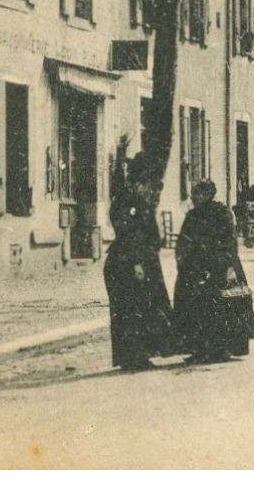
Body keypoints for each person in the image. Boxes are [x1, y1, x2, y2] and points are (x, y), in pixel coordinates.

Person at [173, 179, 254, 363]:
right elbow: (185, 239)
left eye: (198, 194)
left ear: (207, 195)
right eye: (193, 194)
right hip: (196, 266)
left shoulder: (221, 213)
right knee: (192, 304)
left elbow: (228, 240)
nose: (194, 198)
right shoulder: (193, 215)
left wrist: (218, 263)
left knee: (221, 303)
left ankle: (222, 348)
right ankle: (199, 348)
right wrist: (183, 259)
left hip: (220, 264)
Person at [103, 149, 173, 371]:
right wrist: (136, 263)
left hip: (142, 261)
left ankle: (140, 354)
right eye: (146, 183)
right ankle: (133, 356)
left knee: (143, 307)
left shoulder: (138, 200)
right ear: (137, 181)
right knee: (131, 309)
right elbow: (128, 235)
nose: (149, 188)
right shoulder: (127, 201)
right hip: (129, 262)